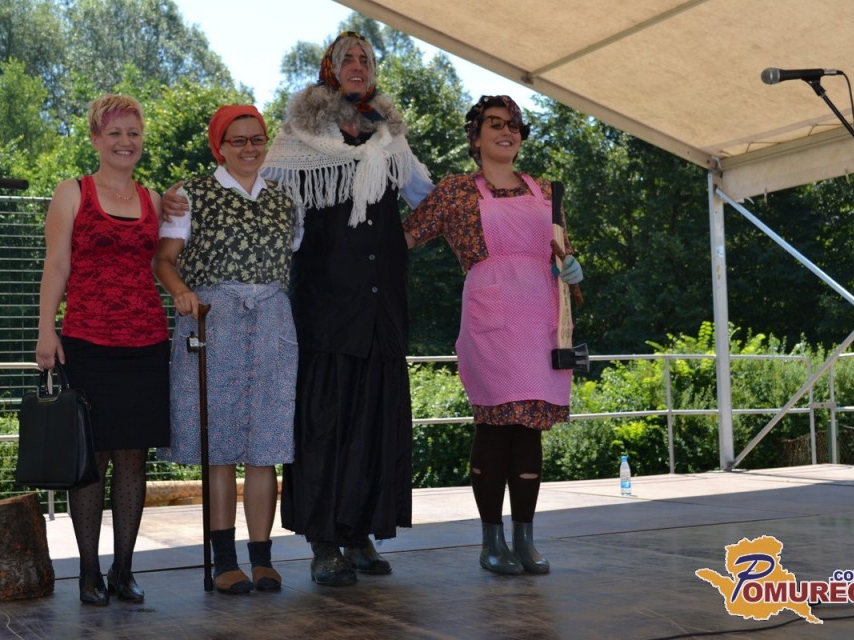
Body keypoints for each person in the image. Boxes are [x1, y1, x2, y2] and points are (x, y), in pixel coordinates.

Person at [262, 31, 433, 586]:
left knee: (372, 422)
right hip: (325, 306)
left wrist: (418, 233)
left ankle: (359, 534)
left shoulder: (389, 138)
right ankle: (324, 542)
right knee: (326, 423)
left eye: (366, 59)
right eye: (348, 59)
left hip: (382, 307)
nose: (358, 66)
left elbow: (428, 197)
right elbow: (267, 205)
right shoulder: (299, 138)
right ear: (329, 70)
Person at [402, 95, 584, 575]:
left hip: (542, 318)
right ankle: (491, 542)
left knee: (529, 427)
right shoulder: (455, 192)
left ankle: (524, 539)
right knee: (495, 424)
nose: (508, 132)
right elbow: (405, 237)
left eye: (515, 126)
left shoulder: (547, 190)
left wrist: (571, 267)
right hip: (490, 321)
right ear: (476, 135)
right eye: (496, 124)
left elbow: (562, 250)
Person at [154, 105, 298, 594]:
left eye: (257, 138)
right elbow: (164, 259)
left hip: (272, 322)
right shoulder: (190, 195)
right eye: (238, 140)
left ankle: (263, 559)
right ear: (220, 147)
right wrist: (181, 292)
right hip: (214, 321)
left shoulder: (286, 198)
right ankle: (224, 561)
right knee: (218, 448)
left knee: (265, 448)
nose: (249, 148)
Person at [35, 94, 170, 605]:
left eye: (133, 132)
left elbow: (162, 263)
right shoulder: (72, 192)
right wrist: (46, 330)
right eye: (114, 133)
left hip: (147, 343)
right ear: (95, 138)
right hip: (87, 342)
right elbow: (56, 265)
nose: (125, 142)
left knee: (134, 459)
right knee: (90, 460)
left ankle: (124, 571)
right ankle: (88, 573)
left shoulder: (154, 200)